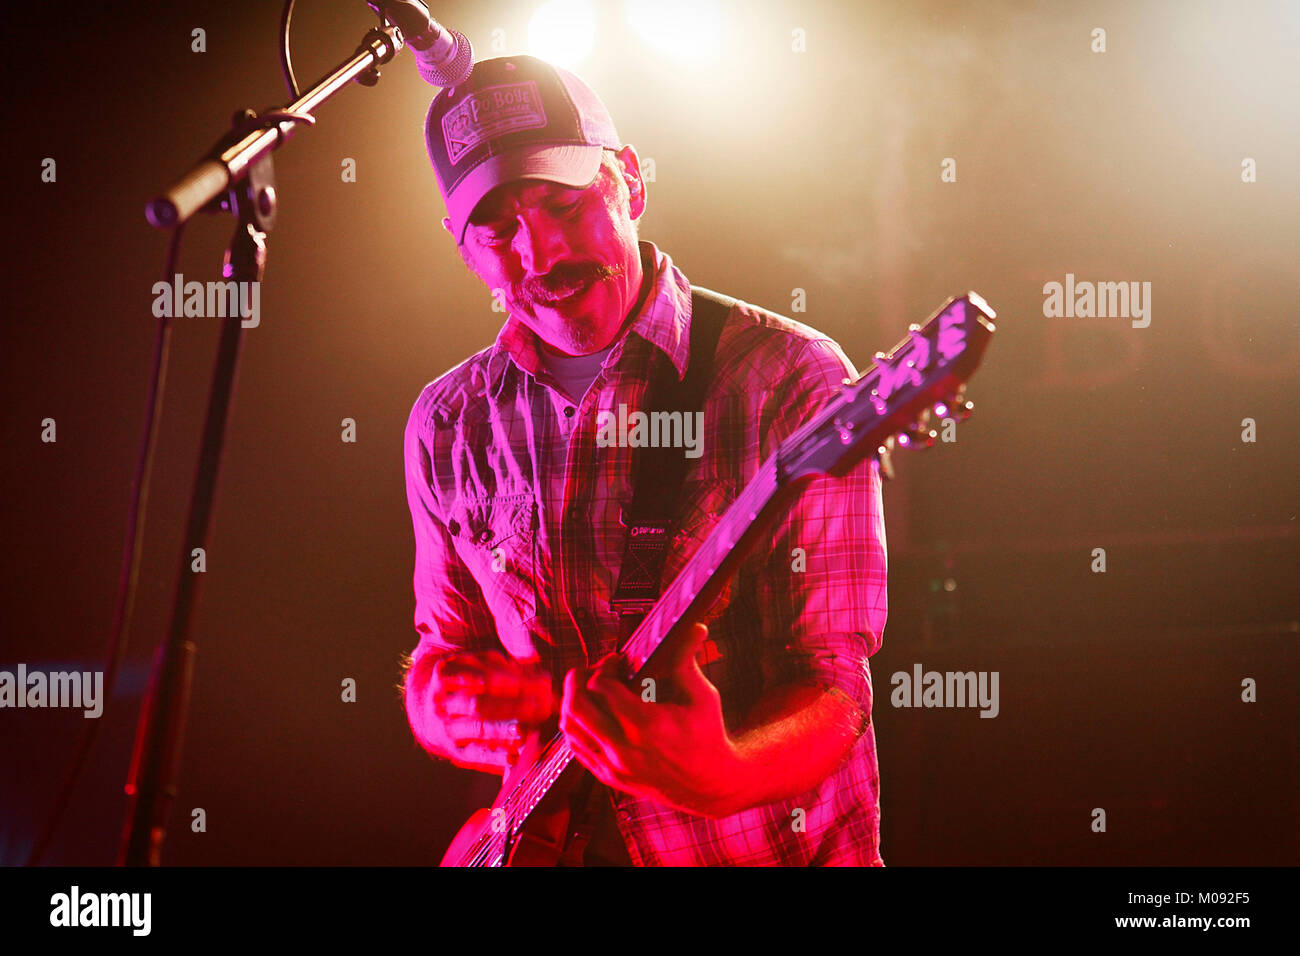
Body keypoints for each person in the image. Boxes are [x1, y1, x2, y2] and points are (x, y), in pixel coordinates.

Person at [402, 55, 888, 865]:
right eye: (498, 233)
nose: (544, 251)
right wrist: (442, 707)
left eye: (565, 204)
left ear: (629, 181)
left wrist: (722, 775)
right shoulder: (447, 423)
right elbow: (439, 653)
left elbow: (836, 685)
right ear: (462, 250)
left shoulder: (787, 377)